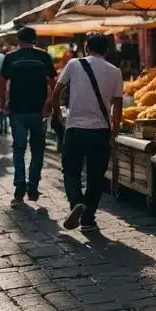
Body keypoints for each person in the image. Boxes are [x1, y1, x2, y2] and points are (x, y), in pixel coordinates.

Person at [52, 33, 123, 233]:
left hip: (75, 128)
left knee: (71, 170)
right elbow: (117, 105)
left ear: (87, 48)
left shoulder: (74, 64)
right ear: (107, 50)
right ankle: (88, 220)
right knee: (96, 177)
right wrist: (114, 130)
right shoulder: (115, 71)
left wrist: (58, 114)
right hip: (101, 131)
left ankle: (76, 201)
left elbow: (57, 91)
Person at [0, 27, 57, 204]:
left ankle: (19, 186)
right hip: (38, 112)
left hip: (17, 111)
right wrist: (49, 103)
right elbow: (54, 83)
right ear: (35, 40)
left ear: (18, 40)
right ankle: (33, 186)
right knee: (37, 149)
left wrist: (3, 105)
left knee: (18, 148)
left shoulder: (11, 58)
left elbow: (1, 83)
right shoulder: (43, 56)